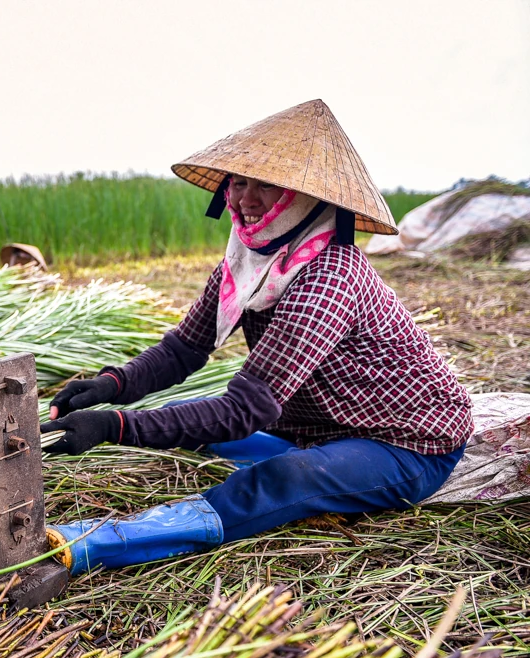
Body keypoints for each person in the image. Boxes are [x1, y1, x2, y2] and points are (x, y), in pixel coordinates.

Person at [41, 99, 473, 574]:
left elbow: (243, 412)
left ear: (307, 199)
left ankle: (100, 541)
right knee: (190, 427)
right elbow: (185, 349)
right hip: (322, 430)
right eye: (240, 182)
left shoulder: (329, 274)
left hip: (407, 444)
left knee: (285, 477)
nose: (246, 199)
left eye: (268, 185)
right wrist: (111, 385)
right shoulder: (247, 266)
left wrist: (114, 427)